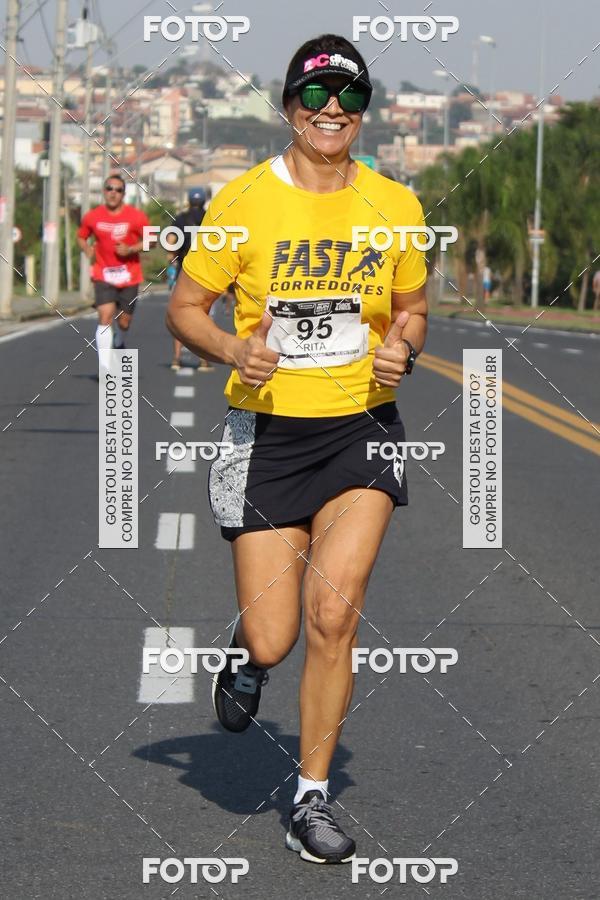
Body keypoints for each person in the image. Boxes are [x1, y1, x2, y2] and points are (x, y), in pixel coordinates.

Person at [166, 33, 428, 865]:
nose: (332, 112)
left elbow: (414, 308)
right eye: (316, 96)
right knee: (277, 635)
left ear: (364, 114)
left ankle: (310, 799)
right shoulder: (242, 202)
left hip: (362, 429)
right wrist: (230, 350)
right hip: (268, 435)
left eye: (350, 99)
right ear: (288, 106)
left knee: (333, 612)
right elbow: (184, 309)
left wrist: (406, 348)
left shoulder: (397, 206)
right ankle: (246, 660)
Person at [77, 174, 150, 353]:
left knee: (124, 321)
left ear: (123, 194)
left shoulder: (137, 216)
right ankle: (106, 366)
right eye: (109, 188)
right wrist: (87, 249)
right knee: (105, 316)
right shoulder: (92, 216)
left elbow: (152, 240)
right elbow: (81, 236)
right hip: (103, 273)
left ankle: (119, 341)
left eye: (118, 190)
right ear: (104, 191)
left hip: (129, 275)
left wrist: (131, 249)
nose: (113, 193)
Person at [166, 188, 214, 372]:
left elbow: (170, 243)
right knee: (204, 318)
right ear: (203, 201)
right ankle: (203, 360)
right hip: (208, 276)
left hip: (184, 274)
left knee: (179, 315)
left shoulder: (181, 219)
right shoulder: (212, 217)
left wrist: (172, 257)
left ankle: (176, 359)